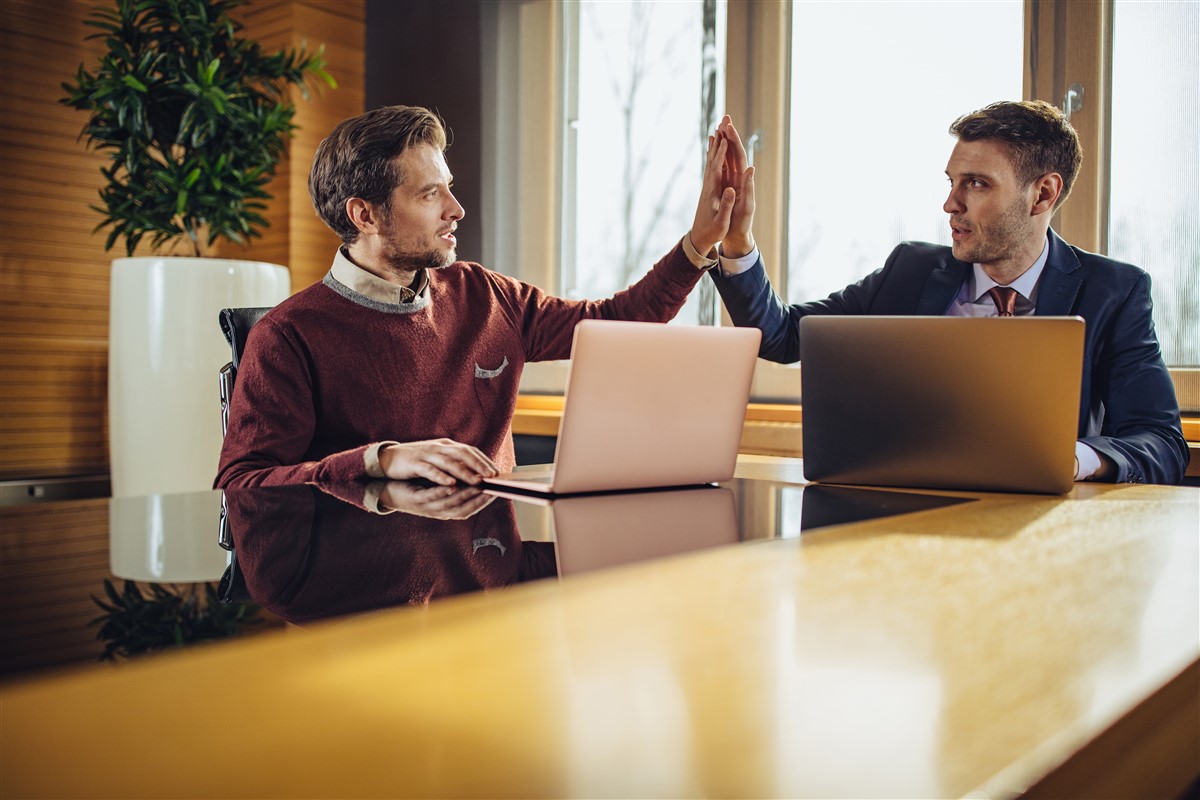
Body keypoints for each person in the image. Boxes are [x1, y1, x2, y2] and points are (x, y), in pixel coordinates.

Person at [215, 105, 751, 490]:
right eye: (430, 193)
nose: (456, 209)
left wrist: (700, 241)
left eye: (449, 187)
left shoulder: (487, 295)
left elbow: (617, 321)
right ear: (365, 215)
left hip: (491, 578)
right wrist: (382, 460)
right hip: (364, 614)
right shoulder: (287, 335)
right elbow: (245, 482)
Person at [710, 100, 1187, 484]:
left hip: (1043, 539)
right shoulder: (910, 271)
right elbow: (783, 334)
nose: (950, 204)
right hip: (901, 522)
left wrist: (1076, 459)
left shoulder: (1114, 292)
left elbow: (1161, 442)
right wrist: (736, 241)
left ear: (1042, 195)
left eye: (976, 184)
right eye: (952, 182)